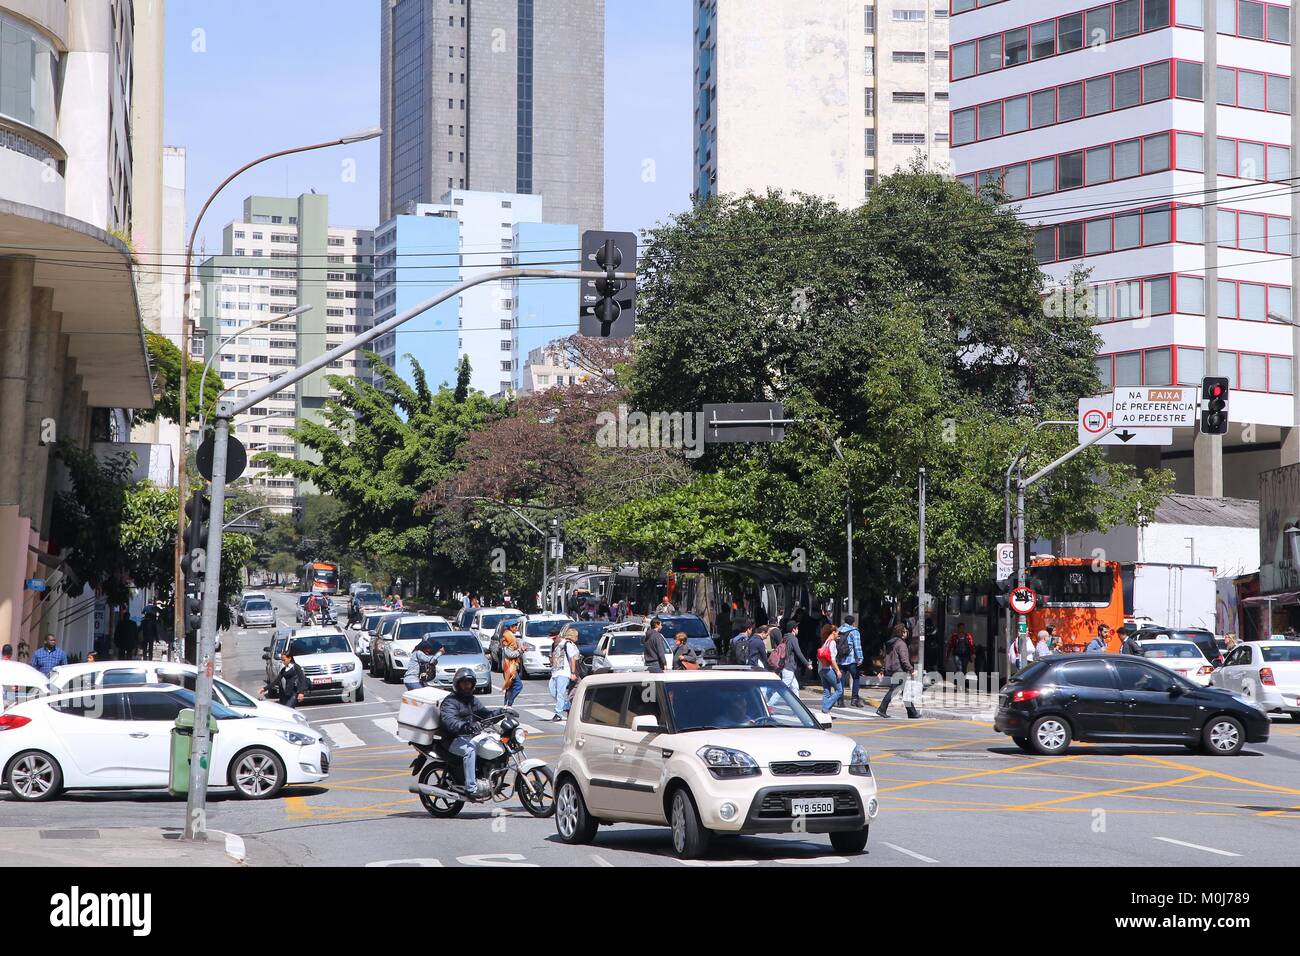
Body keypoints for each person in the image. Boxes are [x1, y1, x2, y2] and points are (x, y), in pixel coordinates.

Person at [438, 667, 511, 796]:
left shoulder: (472, 700)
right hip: (452, 739)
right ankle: (471, 787)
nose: (466, 686)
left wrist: (502, 711)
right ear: (457, 684)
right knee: (470, 750)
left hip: (469, 736)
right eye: (463, 683)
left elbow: (486, 714)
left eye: (469, 683)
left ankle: (489, 777)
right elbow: (450, 722)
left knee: (495, 742)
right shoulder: (450, 702)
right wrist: (467, 726)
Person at [876, 624, 918, 719]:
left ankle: (912, 713)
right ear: (902, 633)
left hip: (895, 671)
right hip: (900, 671)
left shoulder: (892, 643)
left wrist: (882, 670)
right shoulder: (901, 644)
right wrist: (911, 670)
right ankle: (881, 709)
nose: (907, 633)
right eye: (905, 631)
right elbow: (904, 660)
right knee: (893, 692)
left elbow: (886, 658)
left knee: (904, 692)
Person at [549, 625, 579, 721]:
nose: (553, 640)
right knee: (553, 691)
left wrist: (573, 672)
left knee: (560, 693)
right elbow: (552, 657)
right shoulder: (553, 645)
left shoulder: (567, 644)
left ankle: (558, 713)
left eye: (554, 638)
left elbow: (573, 658)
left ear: (558, 636)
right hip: (554, 672)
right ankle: (568, 706)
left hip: (564, 672)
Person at [838, 615, 864, 707]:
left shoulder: (839, 630)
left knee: (840, 680)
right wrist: (860, 658)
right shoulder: (854, 631)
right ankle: (854, 699)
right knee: (856, 678)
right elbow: (857, 646)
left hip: (840, 660)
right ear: (853, 622)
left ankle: (840, 701)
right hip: (851, 659)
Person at [775, 625, 809, 693]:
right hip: (789, 667)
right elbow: (798, 653)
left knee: (795, 687)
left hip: (785, 665)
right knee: (782, 689)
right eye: (797, 628)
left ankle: (797, 704)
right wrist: (807, 664)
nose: (798, 630)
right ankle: (769, 703)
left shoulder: (785, 638)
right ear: (793, 629)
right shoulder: (793, 639)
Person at [816, 623, 842, 713]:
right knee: (839, 690)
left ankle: (825, 711)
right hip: (829, 669)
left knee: (826, 691)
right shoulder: (832, 642)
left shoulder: (825, 642)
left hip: (822, 669)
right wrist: (837, 670)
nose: (838, 634)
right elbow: (832, 659)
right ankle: (826, 707)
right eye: (838, 632)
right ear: (833, 632)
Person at [500, 622, 525, 706]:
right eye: (515, 627)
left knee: (510, 687)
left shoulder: (509, 636)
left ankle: (506, 706)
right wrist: (520, 650)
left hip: (510, 666)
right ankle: (509, 704)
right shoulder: (508, 637)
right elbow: (509, 654)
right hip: (509, 667)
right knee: (518, 685)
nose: (516, 629)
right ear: (510, 627)